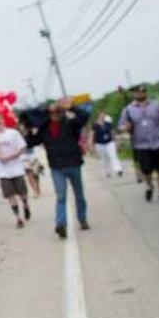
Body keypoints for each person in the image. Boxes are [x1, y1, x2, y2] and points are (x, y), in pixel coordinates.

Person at [26, 98, 90, 239]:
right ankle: (61, 224)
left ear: (62, 112)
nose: (55, 114)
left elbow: (84, 117)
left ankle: (82, 218)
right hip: (57, 168)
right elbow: (30, 142)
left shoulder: (71, 123)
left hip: (74, 164)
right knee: (61, 196)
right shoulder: (44, 128)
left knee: (79, 195)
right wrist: (29, 129)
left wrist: (71, 107)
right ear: (48, 114)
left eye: (58, 111)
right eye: (52, 112)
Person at [119, 85, 159, 202]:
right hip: (141, 145)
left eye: (142, 91)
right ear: (134, 94)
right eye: (137, 92)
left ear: (145, 92)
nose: (140, 94)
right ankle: (149, 186)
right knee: (146, 170)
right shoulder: (127, 110)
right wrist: (125, 127)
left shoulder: (157, 106)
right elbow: (121, 126)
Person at [0, 112, 31, 229]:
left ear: (3, 121)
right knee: (10, 195)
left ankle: (25, 205)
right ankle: (18, 218)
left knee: (22, 194)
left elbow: (22, 147)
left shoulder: (13, 133)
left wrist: (11, 156)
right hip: (2, 172)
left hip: (16, 169)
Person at [90, 109, 124, 178]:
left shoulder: (108, 124)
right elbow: (92, 136)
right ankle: (107, 172)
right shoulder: (95, 125)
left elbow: (112, 133)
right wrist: (91, 146)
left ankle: (118, 169)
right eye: (101, 115)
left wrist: (116, 142)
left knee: (113, 155)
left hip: (109, 142)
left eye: (104, 115)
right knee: (104, 159)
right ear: (98, 116)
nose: (103, 116)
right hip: (99, 144)